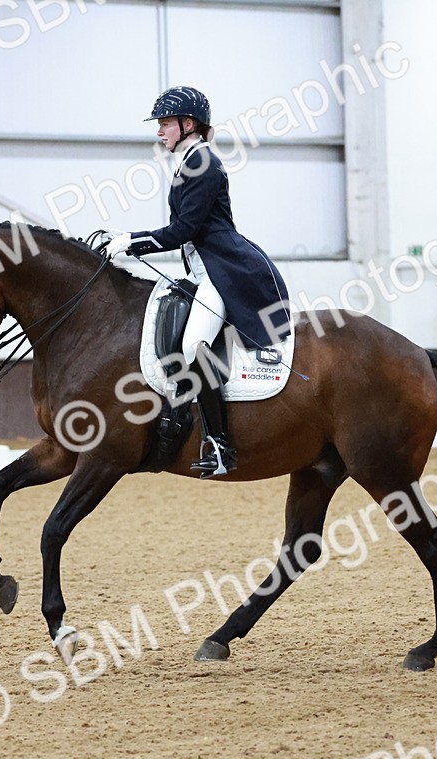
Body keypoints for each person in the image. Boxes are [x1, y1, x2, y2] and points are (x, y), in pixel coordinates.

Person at [104, 86, 290, 478]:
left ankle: (221, 447)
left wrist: (131, 243)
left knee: (193, 345)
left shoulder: (201, 163)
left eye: (166, 124)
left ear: (188, 125)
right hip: (206, 269)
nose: (160, 133)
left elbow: (184, 229)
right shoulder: (190, 161)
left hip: (226, 271)